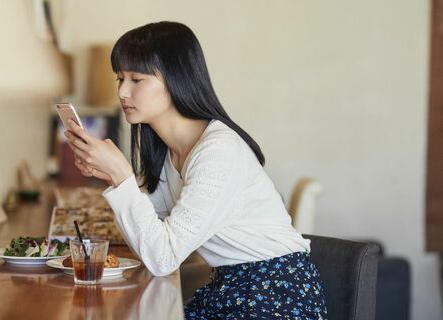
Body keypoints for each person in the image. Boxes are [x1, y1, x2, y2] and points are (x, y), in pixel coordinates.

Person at [65, 21, 328, 319]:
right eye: (119, 79)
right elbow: (153, 235)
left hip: (274, 295)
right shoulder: (169, 150)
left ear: (177, 79)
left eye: (137, 79)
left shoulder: (218, 152)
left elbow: (163, 258)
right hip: (230, 288)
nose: (123, 92)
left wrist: (121, 177)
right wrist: (112, 178)